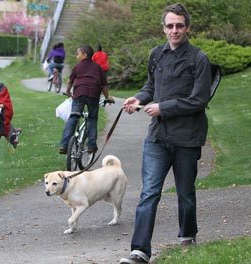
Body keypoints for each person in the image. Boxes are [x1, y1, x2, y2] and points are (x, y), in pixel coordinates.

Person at [120, 3, 212, 264]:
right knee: (149, 192)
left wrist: (163, 108)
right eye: (170, 25)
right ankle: (139, 251)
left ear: (187, 28)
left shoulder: (199, 59)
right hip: (157, 138)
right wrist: (137, 98)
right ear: (163, 28)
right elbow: (151, 86)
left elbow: (198, 100)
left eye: (179, 25)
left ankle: (187, 236)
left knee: (185, 192)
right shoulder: (156, 55)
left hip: (187, 138)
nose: (174, 30)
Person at [59, 45, 112, 154]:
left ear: (84, 55)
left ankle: (64, 145)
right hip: (93, 95)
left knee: (73, 117)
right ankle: (91, 146)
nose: (76, 55)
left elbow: (70, 81)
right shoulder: (98, 68)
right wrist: (107, 97)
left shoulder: (78, 66)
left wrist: (68, 91)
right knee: (92, 119)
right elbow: (104, 86)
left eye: (78, 53)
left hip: (79, 94)